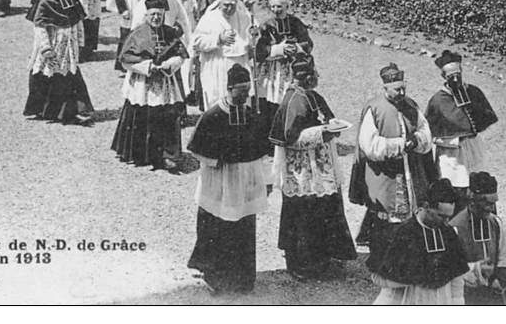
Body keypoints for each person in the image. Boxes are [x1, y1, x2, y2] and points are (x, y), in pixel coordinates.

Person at [187, 65, 274, 295]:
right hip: (220, 181)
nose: (246, 96)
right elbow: (197, 149)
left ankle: (243, 280)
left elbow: (262, 152)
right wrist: (218, 157)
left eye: (248, 91)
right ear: (229, 88)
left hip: (245, 182)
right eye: (241, 92)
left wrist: (265, 180)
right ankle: (217, 279)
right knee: (218, 228)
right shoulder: (213, 115)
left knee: (244, 228)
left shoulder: (251, 115)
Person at [269, 54, 357, 280]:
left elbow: (325, 117)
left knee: (324, 208)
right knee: (304, 215)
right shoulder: (294, 101)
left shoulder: (311, 96)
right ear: (306, 78)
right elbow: (290, 137)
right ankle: (302, 265)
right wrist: (323, 132)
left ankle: (325, 257)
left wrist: (331, 127)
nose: (317, 77)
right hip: (303, 170)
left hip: (320, 164)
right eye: (315, 74)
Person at [348, 63, 436, 258]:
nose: (402, 92)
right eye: (397, 89)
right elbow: (369, 145)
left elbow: (425, 131)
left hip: (411, 172)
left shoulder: (411, 105)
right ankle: (383, 258)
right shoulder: (375, 109)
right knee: (386, 216)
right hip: (386, 173)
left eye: (404, 87)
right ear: (385, 88)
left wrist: (418, 140)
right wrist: (399, 145)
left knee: (413, 214)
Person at [111, 0, 189, 171]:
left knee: (168, 116)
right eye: (152, 14)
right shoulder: (137, 34)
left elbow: (181, 56)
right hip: (142, 83)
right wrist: (147, 66)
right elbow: (125, 60)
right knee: (141, 114)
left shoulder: (170, 33)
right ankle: (140, 154)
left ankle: (169, 155)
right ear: (146, 15)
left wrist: (170, 65)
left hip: (166, 82)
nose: (156, 18)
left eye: (159, 15)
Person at [367, 178, 470, 305]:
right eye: (441, 216)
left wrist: (458, 303)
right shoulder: (403, 233)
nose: (446, 222)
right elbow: (378, 277)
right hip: (408, 298)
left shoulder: (448, 233)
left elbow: (457, 277)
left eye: (449, 217)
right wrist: (412, 277)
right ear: (426, 206)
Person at [425, 50, 499, 210]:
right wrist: (451, 139)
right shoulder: (438, 101)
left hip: (472, 148)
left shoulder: (473, 92)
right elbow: (430, 131)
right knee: (455, 190)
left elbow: (486, 117)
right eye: (451, 76)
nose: (455, 79)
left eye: (457, 74)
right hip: (451, 154)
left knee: (479, 186)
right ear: (444, 77)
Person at [22, 0, 95, 124]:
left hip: (69, 45)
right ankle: (42, 110)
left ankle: (73, 111)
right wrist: (46, 48)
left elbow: (77, 22)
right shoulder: (46, 1)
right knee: (45, 75)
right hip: (53, 44)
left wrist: (80, 42)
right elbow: (40, 27)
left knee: (69, 75)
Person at [192, 0, 256, 111]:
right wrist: (218, 40)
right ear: (219, 3)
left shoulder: (244, 16)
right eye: (226, 5)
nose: (229, 9)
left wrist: (254, 35)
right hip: (217, 65)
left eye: (232, 5)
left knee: (241, 103)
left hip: (239, 65)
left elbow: (252, 38)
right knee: (218, 103)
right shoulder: (210, 18)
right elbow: (196, 42)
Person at [450, 172, 506, 305]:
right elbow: (452, 267)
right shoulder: (455, 228)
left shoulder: (495, 223)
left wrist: (500, 278)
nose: (491, 208)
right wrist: (478, 270)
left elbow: (505, 254)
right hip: (467, 295)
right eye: (486, 203)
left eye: (493, 204)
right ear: (473, 200)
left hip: (494, 291)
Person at [254, 0, 313, 107]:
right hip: (272, 69)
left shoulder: (296, 23)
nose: (276, 10)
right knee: (271, 99)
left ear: (287, 6)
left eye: (279, 6)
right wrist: (278, 49)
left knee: (291, 99)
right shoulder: (266, 26)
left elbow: (307, 43)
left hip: (293, 67)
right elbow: (259, 50)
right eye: (273, 6)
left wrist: (296, 48)